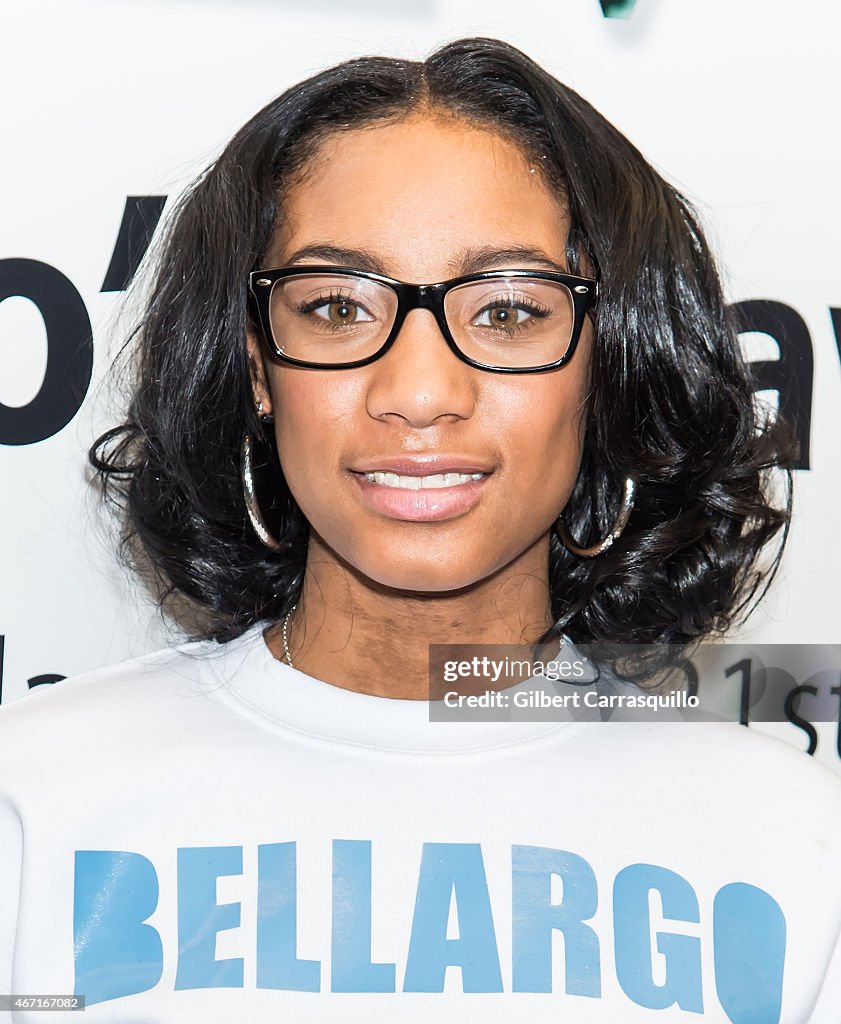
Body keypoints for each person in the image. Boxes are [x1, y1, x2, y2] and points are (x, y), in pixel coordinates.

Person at [0, 36, 839, 1023]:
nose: (419, 393)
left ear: (605, 364)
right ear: (258, 368)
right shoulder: (35, 799)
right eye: (337, 306)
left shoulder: (790, 842)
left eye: (509, 311)